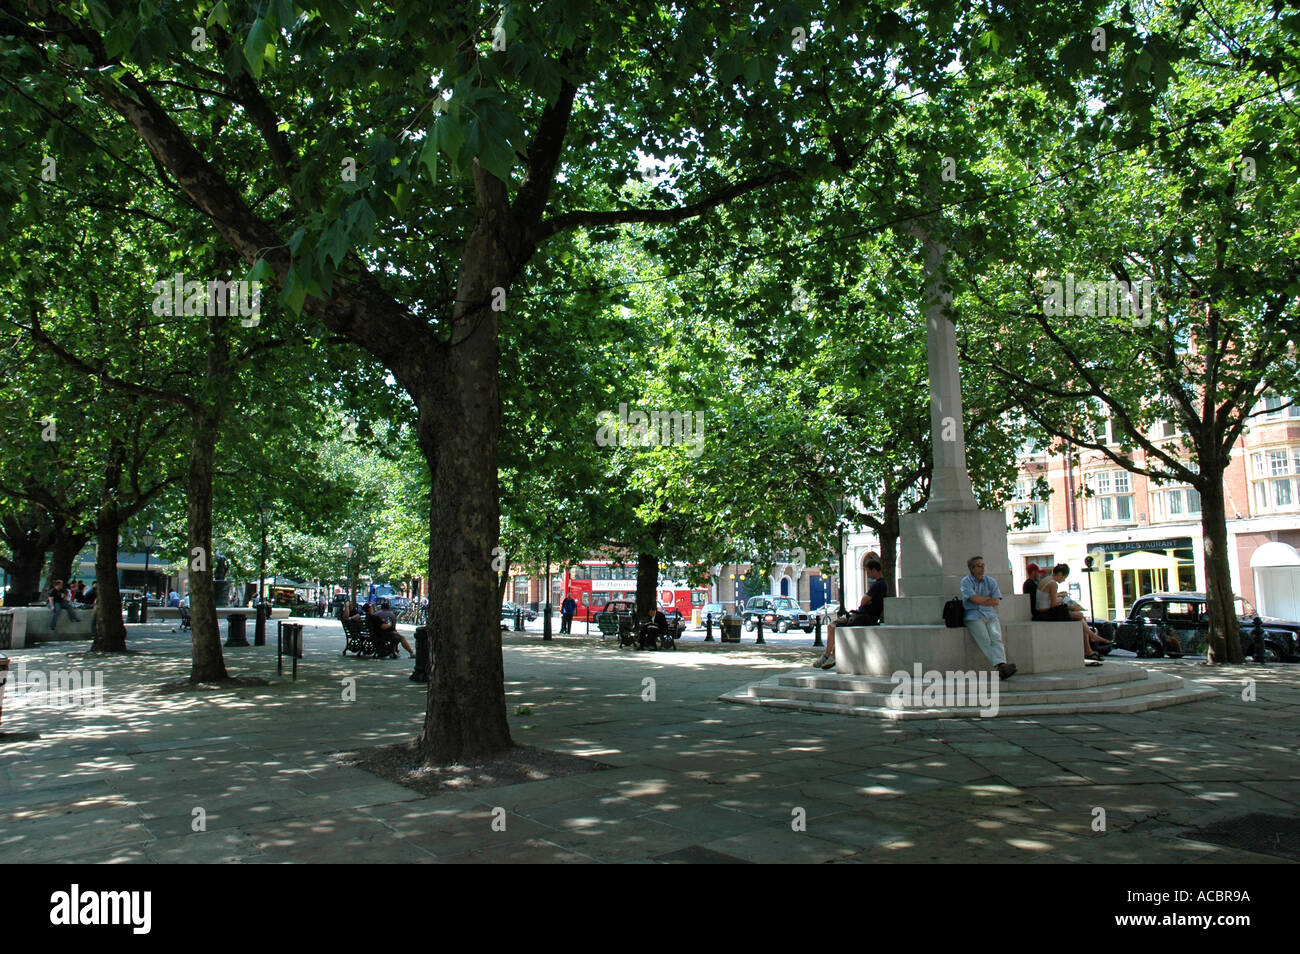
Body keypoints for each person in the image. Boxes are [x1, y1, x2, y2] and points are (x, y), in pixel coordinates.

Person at [814, 559, 888, 670]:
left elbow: (863, 601)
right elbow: (865, 600)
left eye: (868, 572)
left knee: (832, 626)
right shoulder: (882, 584)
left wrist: (866, 600)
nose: (868, 574)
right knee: (836, 626)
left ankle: (827, 656)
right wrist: (867, 600)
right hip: (863, 616)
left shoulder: (879, 584)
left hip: (864, 617)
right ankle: (832, 656)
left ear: (874, 570)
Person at [1037, 564, 1108, 664]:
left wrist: (1060, 595)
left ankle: (1089, 647)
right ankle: (1092, 636)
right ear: (1060, 574)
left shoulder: (1046, 580)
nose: (1064, 580)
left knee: (1080, 618)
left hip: (1042, 612)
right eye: (1064, 577)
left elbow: (1046, 597)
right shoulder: (1053, 583)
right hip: (1047, 613)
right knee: (1079, 615)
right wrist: (1066, 604)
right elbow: (1053, 604)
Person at [961, 556, 1016, 680]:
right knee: (985, 640)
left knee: (996, 638)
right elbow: (973, 598)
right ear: (972, 568)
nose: (982, 567)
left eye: (983, 565)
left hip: (990, 614)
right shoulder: (966, 581)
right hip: (973, 615)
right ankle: (1001, 666)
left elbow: (996, 601)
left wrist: (981, 599)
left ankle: (1001, 666)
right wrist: (986, 599)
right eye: (979, 565)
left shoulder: (991, 581)